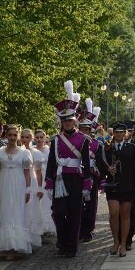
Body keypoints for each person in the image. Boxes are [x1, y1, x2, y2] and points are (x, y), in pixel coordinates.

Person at [44, 81, 92, 258]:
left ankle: (71, 245)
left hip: (76, 180)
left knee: (74, 213)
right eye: (64, 121)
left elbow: (86, 163)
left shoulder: (84, 139)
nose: (67, 124)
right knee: (58, 212)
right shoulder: (56, 140)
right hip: (59, 179)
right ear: (61, 122)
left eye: (70, 120)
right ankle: (62, 241)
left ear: (75, 121)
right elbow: (51, 162)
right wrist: (48, 182)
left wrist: (87, 184)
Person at [98, 122, 135, 257]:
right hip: (112, 184)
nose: (118, 134)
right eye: (116, 132)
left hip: (127, 185)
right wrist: (107, 169)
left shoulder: (131, 147)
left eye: (121, 132)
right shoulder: (107, 147)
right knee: (113, 212)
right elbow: (100, 163)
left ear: (125, 134)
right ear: (113, 133)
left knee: (125, 214)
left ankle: (123, 243)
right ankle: (115, 240)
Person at [0, 125, 34, 258]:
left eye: (15, 135)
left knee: (17, 213)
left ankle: (15, 246)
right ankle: (7, 245)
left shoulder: (24, 153)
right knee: (6, 213)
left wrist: (28, 189)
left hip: (19, 184)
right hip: (4, 184)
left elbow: (27, 174)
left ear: (18, 136)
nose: (12, 138)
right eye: (10, 135)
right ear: (6, 135)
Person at [77, 102, 101, 243]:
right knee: (77, 204)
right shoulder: (75, 141)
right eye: (82, 129)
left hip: (92, 176)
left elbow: (100, 162)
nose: (85, 132)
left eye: (87, 129)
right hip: (77, 175)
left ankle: (88, 229)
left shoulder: (96, 144)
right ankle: (78, 228)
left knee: (91, 204)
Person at [20, 128, 45, 249]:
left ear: (31, 139)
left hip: (33, 181)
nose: (24, 140)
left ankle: (32, 236)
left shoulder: (36, 153)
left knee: (32, 207)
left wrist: (40, 188)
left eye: (27, 137)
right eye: (23, 137)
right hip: (19, 181)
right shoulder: (17, 151)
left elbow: (38, 172)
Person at [34, 129, 55, 236]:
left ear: (45, 138)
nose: (39, 139)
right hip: (36, 178)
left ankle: (47, 228)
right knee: (37, 202)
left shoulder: (49, 150)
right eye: (37, 137)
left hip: (47, 178)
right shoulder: (31, 151)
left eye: (41, 137)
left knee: (47, 202)